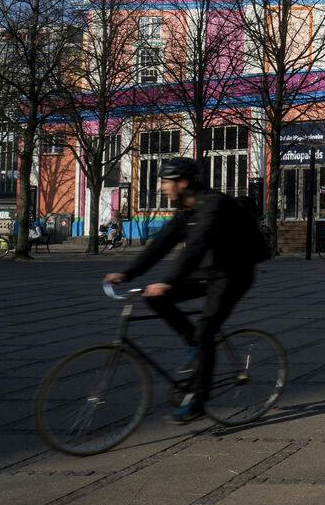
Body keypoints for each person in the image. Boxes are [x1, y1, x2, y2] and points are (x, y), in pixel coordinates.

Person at [105, 157, 270, 423]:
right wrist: (128, 273)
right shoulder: (187, 210)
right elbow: (161, 244)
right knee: (155, 299)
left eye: (165, 182)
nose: (162, 188)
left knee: (206, 331)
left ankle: (197, 403)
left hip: (234, 274)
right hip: (209, 271)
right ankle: (195, 345)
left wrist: (168, 281)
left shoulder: (213, 205)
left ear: (182, 183)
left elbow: (196, 247)